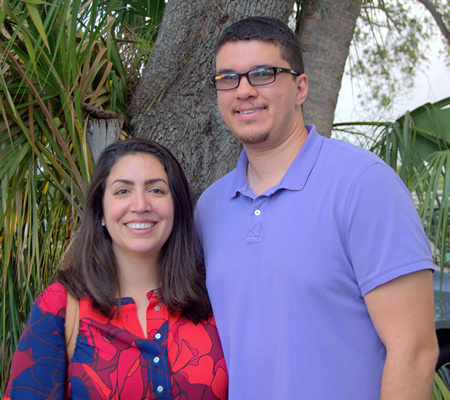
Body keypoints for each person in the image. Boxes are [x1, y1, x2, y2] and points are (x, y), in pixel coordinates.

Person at [194, 16, 438, 399]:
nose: (243, 91)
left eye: (262, 73)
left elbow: (415, 351)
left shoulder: (363, 184)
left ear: (301, 87)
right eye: (228, 78)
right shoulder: (210, 208)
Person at [5, 138, 228, 399]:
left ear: (176, 206)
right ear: (100, 210)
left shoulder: (214, 293)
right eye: (123, 191)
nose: (141, 205)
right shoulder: (61, 305)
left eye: (156, 190)